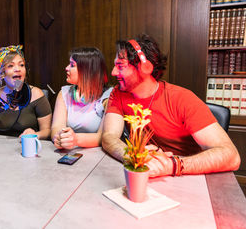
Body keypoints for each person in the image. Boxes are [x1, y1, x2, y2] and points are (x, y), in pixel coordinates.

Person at [102, 34, 240, 177]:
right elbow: (109, 137)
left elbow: (231, 156)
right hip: (150, 172)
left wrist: (172, 165)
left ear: (145, 68)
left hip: (188, 174)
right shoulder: (119, 92)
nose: (113, 72)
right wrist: (133, 156)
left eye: (120, 66)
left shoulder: (183, 99)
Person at [51, 47, 113, 150]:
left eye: (72, 65)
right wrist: (58, 138)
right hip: (69, 152)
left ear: (87, 70)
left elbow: (103, 137)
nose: (66, 68)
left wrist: (75, 139)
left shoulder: (108, 97)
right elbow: (56, 127)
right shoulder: (64, 93)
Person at [0, 45, 52, 139]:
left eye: (21, 65)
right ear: (1, 73)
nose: (18, 69)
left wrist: (35, 135)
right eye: (11, 65)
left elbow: (47, 131)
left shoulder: (36, 94)